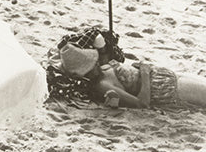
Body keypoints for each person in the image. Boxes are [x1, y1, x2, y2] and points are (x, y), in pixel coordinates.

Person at [54, 42, 206, 111]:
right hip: (166, 90)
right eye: (90, 68)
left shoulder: (101, 67)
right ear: (83, 75)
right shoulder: (103, 85)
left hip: (167, 76)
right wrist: (145, 74)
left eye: (93, 63)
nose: (95, 66)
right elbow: (141, 104)